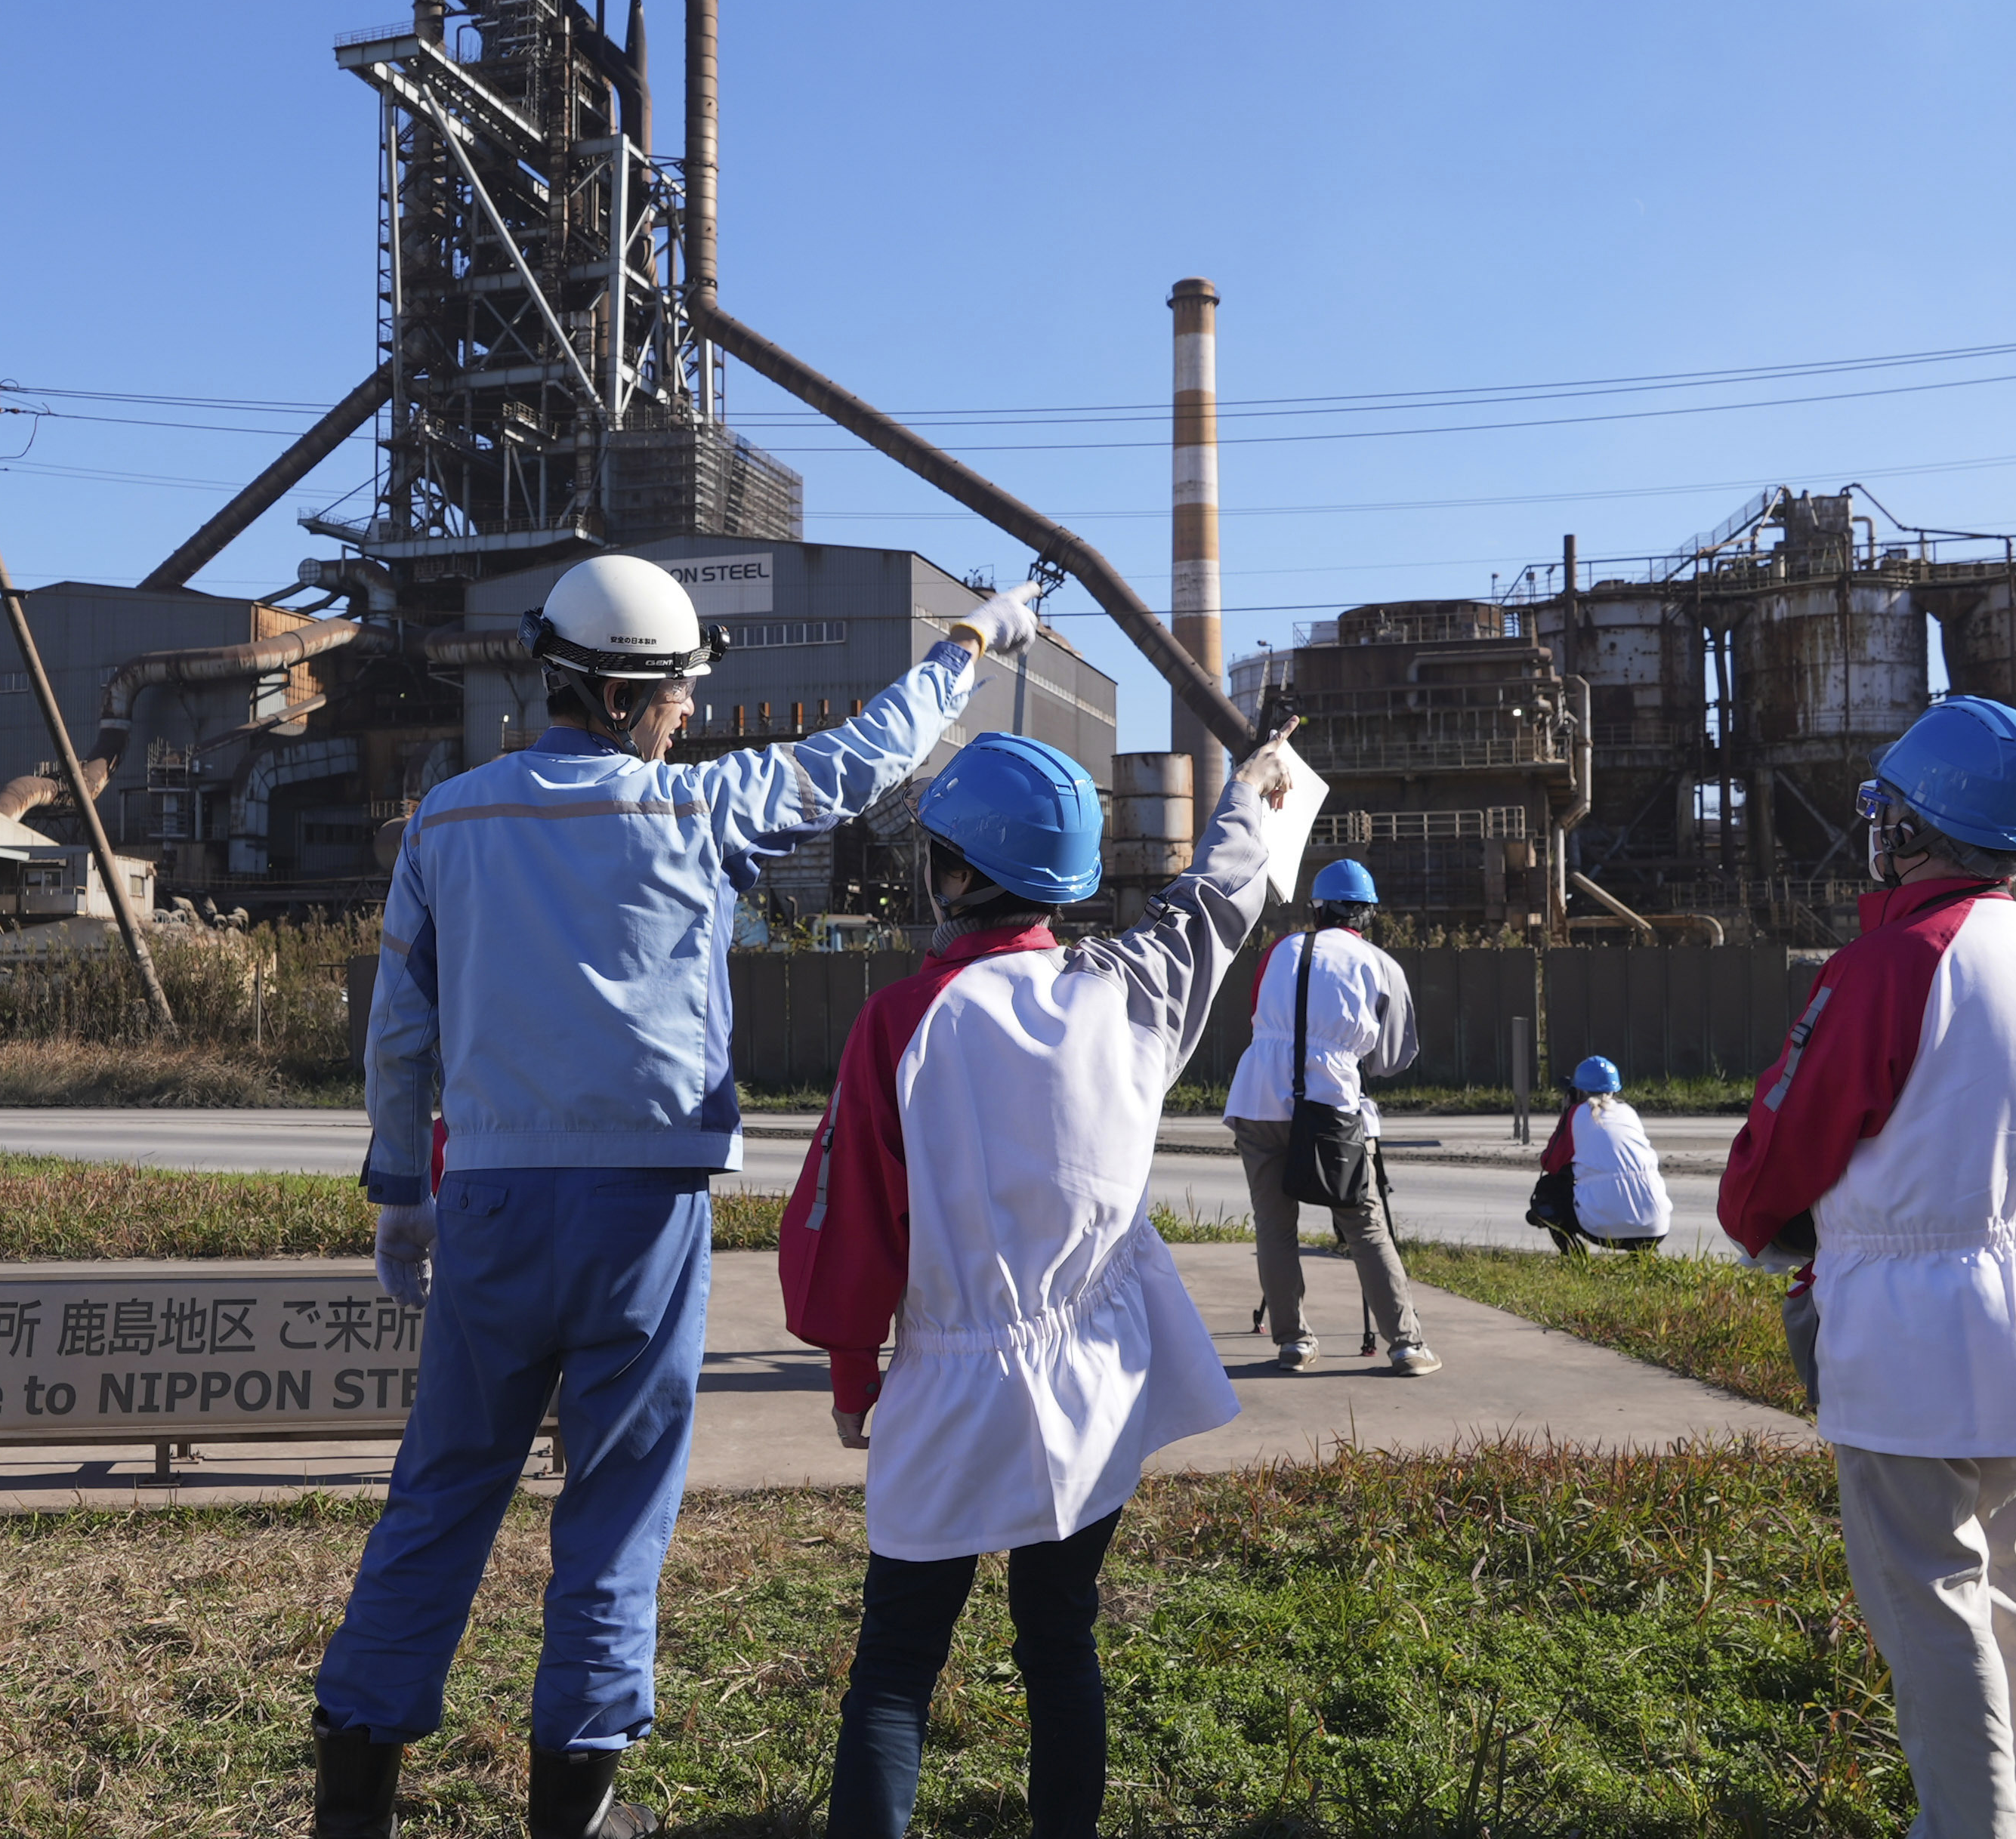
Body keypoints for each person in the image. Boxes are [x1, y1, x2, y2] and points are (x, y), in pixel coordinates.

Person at [310, 555, 1045, 1839]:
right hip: (644, 1211)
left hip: (483, 1200)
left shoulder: (445, 822)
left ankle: (353, 1794)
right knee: (617, 1499)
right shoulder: (698, 809)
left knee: (439, 1490)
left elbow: (400, 1028)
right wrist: (971, 643)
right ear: (614, 692)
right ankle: (576, 1804)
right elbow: (869, 755)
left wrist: (396, 1192)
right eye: (676, 692)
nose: (688, 714)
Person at [776, 724, 1304, 1839]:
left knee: (896, 1664)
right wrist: (1253, 794)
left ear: (955, 872)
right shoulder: (1131, 987)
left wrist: (849, 1372)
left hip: (952, 1372)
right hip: (1096, 1366)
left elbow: (851, 1216)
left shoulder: (901, 1022)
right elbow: (1214, 897)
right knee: (1058, 1637)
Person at [1717, 696, 2016, 1839]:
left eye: (1882, 807)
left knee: (1930, 1607)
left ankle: (1965, 1824)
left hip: (1909, 1329)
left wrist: (1761, 1224)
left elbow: (1786, 1139)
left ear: (1913, 822)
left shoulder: (1891, 958)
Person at [1220, 859, 1436, 1375]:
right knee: (1363, 1224)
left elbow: (1258, 1018)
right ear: (1366, 914)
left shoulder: (1279, 951)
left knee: (1274, 1226)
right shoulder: (1380, 964)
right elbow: (1392, 1057)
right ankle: (1404, 1345)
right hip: (1329, 1101)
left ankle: (1293, 1342)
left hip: (1256, 1098)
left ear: (1316, 908)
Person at [1525, 1054, 1673, 1254]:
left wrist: (1566, 1114)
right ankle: (1643, 1260)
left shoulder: (1576, 1113)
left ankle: (1575, 1258)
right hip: (1656, 1226)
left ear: (1577, 1091)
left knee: (1548, 1189)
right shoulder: (1628, 1111)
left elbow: (1550, 1163)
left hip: (1604, 1231)